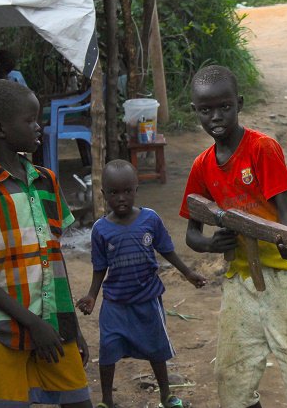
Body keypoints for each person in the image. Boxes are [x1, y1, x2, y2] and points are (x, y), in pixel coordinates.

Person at [179, 65, 287, 408]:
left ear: (240, 104)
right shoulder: (202, 166)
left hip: (284, 277)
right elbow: (193, 234)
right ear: (195, 111)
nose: (216, 117)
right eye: (206, 110)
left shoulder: (262, 148)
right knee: (232, 380)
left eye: (225, 107)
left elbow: (285, 209)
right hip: (240, 281)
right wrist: (211, 244)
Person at [0, 80, 92, 407]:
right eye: (30, 120)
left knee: (78, 400)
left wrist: (73, 326)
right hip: (0, 331)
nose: (39, 126)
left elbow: (55, 258)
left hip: (55, 324)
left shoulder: (47, 181)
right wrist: (32, 323)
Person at [76, 159, 207, 408]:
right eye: (114, 193)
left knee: (156, 347)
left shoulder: (150, 219)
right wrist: (92, 295)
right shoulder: (100, 229)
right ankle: (106, 400)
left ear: (136, 190)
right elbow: (99, 266)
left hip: (148, 299)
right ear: (104, 194)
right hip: (115, 302)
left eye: (127, 191)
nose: (121, 198)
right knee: (108, 348)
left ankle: (166, 395)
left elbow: (167, 250)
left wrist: (188, 273)